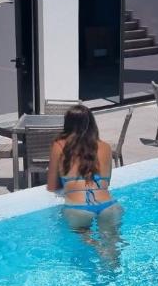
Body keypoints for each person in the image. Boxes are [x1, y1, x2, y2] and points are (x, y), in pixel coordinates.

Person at [47, 104, 123, 259]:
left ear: (67, 124)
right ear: (91, 122)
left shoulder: (59, 145)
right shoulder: (106, 147)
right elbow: (106, 183)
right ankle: (110, 259)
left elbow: (52, 185)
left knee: (83, 234)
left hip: (77, 208)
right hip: (109, 205)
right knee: (112, 244)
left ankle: (95, 245)